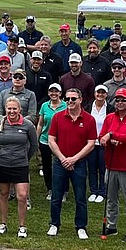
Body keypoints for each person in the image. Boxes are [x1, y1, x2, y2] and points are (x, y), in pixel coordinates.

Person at [47, 88, 97, 239]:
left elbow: (91, 143)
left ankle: (81, 226)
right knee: (56, 196)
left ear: (80, 100)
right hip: (59, 162)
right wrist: (63, 158)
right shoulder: (57, 117)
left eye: (73, 99)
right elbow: (51, 140)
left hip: (79, 164)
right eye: (67, 99)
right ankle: (54, 224)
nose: (70, 101)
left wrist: (74, 159)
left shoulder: (89, 119)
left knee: (80, 197)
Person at [0, 95, 39, 238]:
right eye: (9, 108)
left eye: (14, 109)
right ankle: (3, 223)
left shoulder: (28, 125)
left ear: (20, 109)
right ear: (5, 109)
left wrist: (25, 157)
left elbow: (34, 145)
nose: (12, 111)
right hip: (2, 164)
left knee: (22, 196)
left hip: (20, 165)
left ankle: (22, 226)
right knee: (3, 194)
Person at [99, 86, 126, 241]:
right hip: (111, 164)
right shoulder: (110, 118)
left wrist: (112, 135)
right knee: (111, 199)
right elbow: (101, 137)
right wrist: (108, 140)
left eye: (123, 100)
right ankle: (111, 226)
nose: (119, 102)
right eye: (117, 100)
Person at [37, 83, 65, 199]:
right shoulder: (44, 106)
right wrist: (36, 138)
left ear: (60, 93)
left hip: (61, 141)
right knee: (47, 166)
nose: (54, 93)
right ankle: (50, 189)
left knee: (62, 165)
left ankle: (63, 190)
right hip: (45, 140)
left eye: (56, 91)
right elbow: (40, 124)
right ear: (48, 93)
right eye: (51, 91)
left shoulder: (65, 105)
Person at [87, 85, 111, 202]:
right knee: (91, 168)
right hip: (91, 143)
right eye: (98, 92)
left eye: (103, 93)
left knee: (102, 168)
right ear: (94, 94)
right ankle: (93, 191)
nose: (100, 95)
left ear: (106, 94)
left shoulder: (110, 108)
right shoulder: (88, 107)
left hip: (103, 143)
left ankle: (102, 191)